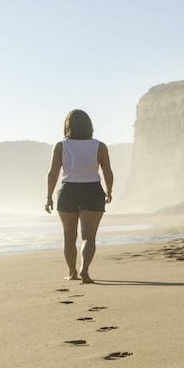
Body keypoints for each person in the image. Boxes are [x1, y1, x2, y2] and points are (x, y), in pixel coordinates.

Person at [45, 109, 113, 283]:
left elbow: (53, 173)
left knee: (69, 236)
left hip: (68, 191)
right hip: (92, 190)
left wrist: (49, 197)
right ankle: (85, 271)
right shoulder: (99, 146)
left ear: (68, 125)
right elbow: (107, 171)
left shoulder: (61, 146)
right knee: (89, 237)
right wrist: (109, 191)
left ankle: (72, 272)